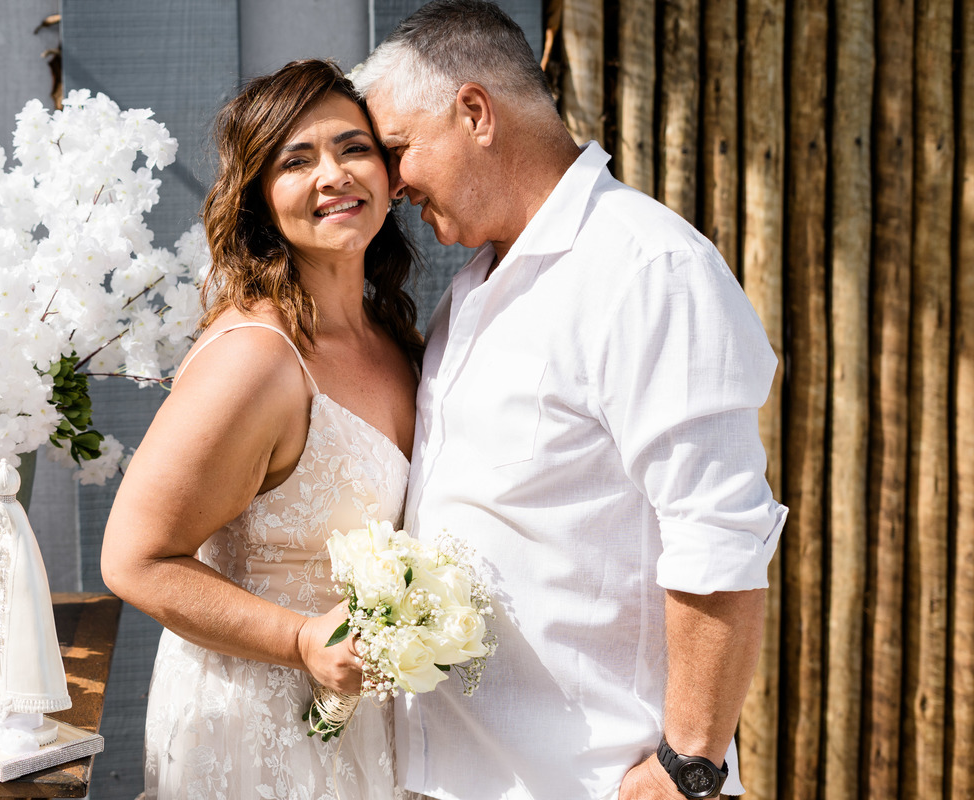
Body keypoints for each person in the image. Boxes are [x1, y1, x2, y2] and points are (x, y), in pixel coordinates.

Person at [351, 3, 787, 800]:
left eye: (400, 148)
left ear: (475, 112)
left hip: (589, 778)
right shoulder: (471, 287)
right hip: (461, 777)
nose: (392, 181)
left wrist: (687, 765)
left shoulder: (647, 270)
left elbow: (719, 532)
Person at [101, 59, 423, 800]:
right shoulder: (257, 358)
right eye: (296, 161)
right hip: (256, 722)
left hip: (369, 718)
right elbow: (134, 559)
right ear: (259, 200)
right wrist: (301, 639)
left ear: (388, 173)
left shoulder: (393, 336)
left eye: (353, 148)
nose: (334, 175)